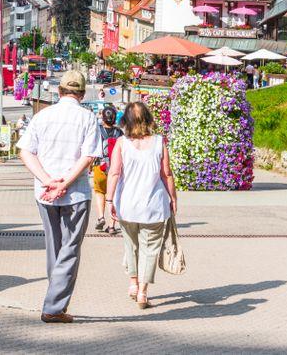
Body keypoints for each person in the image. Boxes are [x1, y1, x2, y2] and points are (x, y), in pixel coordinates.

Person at [17, 69, 101, 324]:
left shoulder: (42, 116)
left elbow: (24, 152)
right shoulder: (88, 118)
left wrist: (48, 181)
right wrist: (65, 182)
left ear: (59, 91)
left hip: (44, 193)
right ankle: (54, 307)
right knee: (70, 248)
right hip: (75, 194)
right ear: (82, 94)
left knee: (54, 246)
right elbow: (89, 157)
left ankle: (56, 300)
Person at [106, 102, 176, 310]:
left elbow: (115, 173)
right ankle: (143, 292)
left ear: (125, 121)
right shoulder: (159, 142)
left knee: (131, 245)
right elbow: (167, 174)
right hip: (153, 206)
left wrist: (109, 201)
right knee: (150, 249)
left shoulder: (121, 143)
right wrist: (173, 197)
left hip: (127, 206)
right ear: (148, 118)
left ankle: (133, 284)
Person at [92, 104, 122, 234]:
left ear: (102, 118)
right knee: (114, 195)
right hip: (115, 168)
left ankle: (100, 217)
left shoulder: (97, 131)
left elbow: (92, 149)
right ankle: (111, 226)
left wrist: (89, 166)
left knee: (99, 192)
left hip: (100, 166)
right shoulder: (119, 133)